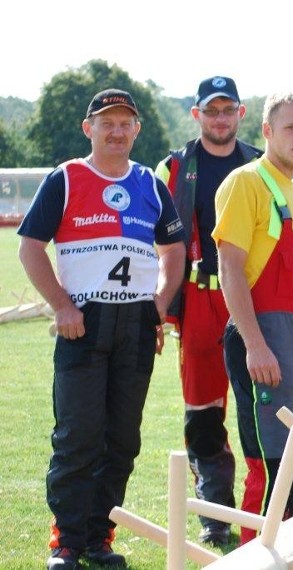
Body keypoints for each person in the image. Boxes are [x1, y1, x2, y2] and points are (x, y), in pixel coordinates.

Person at [17, 88, 185, 570]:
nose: (116, 130)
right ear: (88, 128)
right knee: (78, 435)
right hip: (82, 325)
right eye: (106, 122)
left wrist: (158, 305)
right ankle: (65, 541)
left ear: (136, 130)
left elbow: (174, 251)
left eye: (124, 122)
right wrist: (62, 306)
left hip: (135, 324)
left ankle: (98, 537)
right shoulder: (67, 178)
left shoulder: (152, 185)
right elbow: (30, 246)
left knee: (122, 438)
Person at [212, 92, 293, 545]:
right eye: (291, 129)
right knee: (270, 462)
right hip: (260, 337)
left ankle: (287, 553)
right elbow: (230, 268)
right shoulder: (248, 183)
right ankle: (250, 555)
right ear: (266, 131)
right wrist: (256, 344)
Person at [154, 76, 262, 547]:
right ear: (196, 115)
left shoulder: (262, 164)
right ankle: (214, 511)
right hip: (199, 295)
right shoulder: (174, 167)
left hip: (255, 300)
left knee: (261, 405)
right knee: (203, 410)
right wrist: (159, 309)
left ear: (241, 114)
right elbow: (152, 240)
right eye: (211, 110)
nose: (220, 118)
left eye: (228, 110)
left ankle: (263, 507)